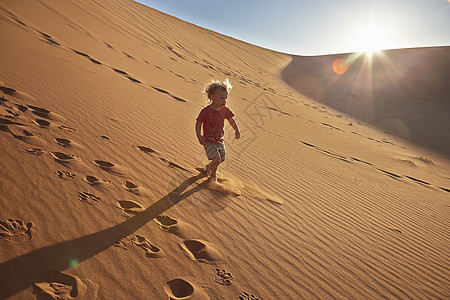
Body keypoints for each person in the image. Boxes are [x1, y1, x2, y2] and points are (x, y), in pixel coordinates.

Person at [196, 79, 240, 182]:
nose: (224, 101)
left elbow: (231, 120)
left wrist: (236, 130)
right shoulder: (206, 111)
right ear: (212, 97)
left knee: (222, 158)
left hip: (219, 140)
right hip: (208, 140)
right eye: (221, 98)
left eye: (226, 98)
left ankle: (209, 167)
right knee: (217, 159)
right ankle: (213, 176)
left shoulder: (225, 110)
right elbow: (198, 123)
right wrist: (198, 135)